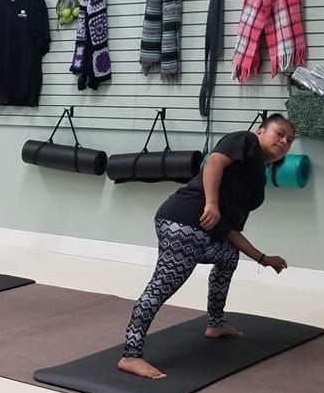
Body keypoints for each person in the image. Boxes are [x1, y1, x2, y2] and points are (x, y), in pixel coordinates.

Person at [118, 114, 296, 379]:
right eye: (279, 133)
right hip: (184, 221)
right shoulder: (245, 140)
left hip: (206, 229)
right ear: (260, 132)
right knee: (163, 285)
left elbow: (230, 231)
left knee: (227, 257)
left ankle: (215, 324)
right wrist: (211, 203)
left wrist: (263, 259)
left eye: (290, 140)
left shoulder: (256, 172)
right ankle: (130, 355)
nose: (284, 141)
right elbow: (213, 161)